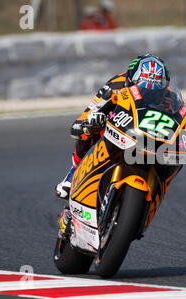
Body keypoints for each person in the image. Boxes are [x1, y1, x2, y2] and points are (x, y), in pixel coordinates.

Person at [55, 54, 174, 200]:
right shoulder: (114, 87)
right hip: (117, 128)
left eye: (154, 91)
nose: (148, 93)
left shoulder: (169, 97)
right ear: (130, 81)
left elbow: (181, 119)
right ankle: (73, 173)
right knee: (92, 125)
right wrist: (89, 125)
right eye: (143, 88)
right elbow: (80, 123)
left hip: (147, 136)